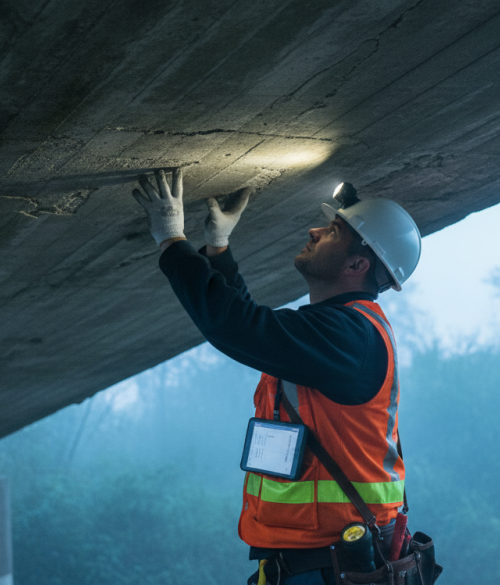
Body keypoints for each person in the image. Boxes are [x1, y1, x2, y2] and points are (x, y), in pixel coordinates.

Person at [133, 167, 422, 584]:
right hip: (316, 562)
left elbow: (238, 327)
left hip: (328, 564)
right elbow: (259, 333)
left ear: (357, 263)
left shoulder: (348, 336)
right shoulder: (339, 330)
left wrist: (172, 242)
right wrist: (218, 251)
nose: (314, 229)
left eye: (334, 232)